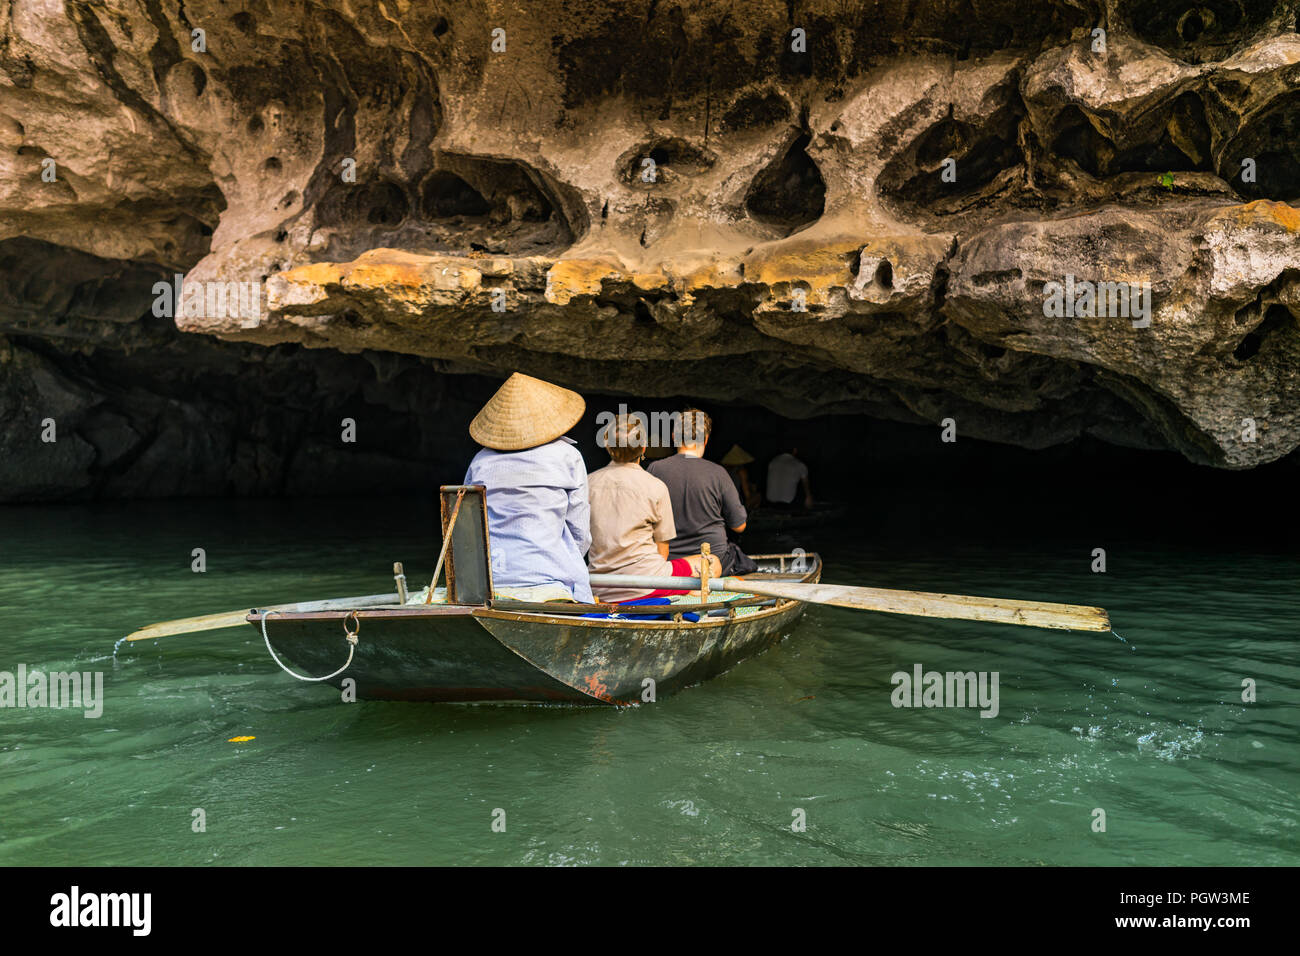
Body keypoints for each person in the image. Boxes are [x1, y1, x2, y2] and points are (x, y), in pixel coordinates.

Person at [463, 372, 593, 602]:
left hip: (489, 577)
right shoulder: (567, 456)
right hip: (550, 575)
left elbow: (467, 524)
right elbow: (579, 532)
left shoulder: (480, 461)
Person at [587, 415, 721, 602]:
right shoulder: (655, 486)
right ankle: (681, 591)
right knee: (713, 562)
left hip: (600, 586)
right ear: (643, 447)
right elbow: (662, 552)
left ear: (608, 446)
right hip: (646, 585)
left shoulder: (588, 483)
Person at [648, 408, 758, 576]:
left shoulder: (654, 469)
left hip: (670, 562)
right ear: (705, 440)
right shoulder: (718, 473)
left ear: (674, 437)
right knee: (744, 562)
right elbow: (739, 526)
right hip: (713, 561)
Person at [766, 443, 813, 511]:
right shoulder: (799, 464)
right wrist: (809, 497)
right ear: (795, 450)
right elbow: (806, 484)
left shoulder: (772, 461)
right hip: (788, 504)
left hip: (770, 502)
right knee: (804, 486)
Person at [720, 444, 760, 511]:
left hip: (721, 503)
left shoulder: (722, 470)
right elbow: (747, 494)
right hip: (735, 504)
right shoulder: (741, 471)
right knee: (758, 496)